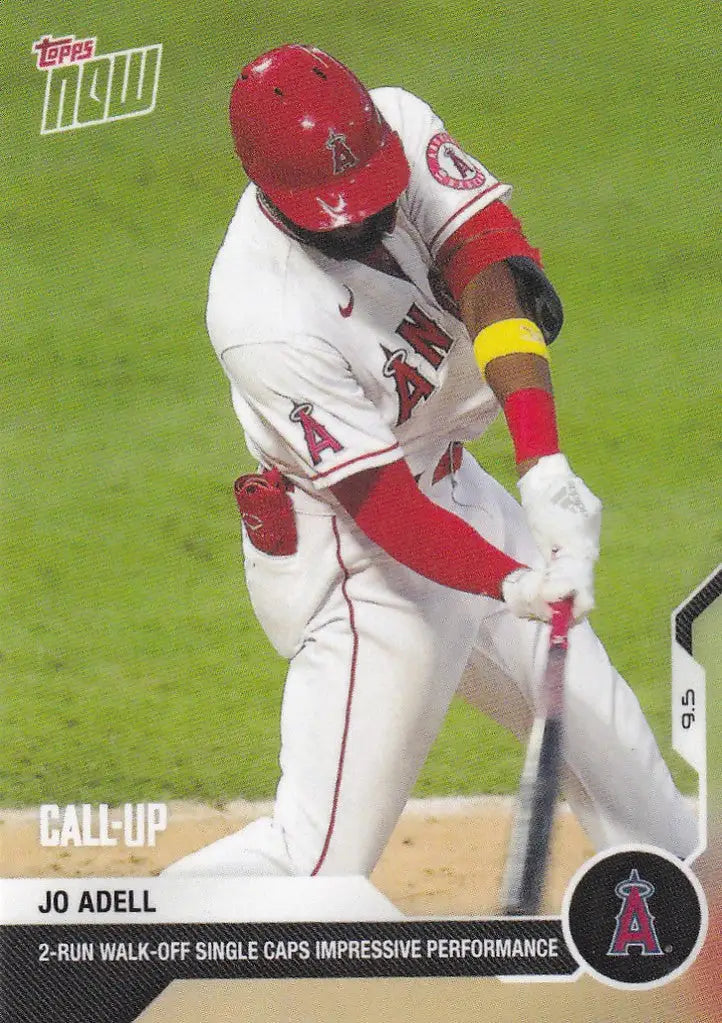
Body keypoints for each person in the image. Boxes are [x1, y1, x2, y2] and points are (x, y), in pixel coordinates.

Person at [165, 44, 696, 880]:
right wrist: (511, 582)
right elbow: (381, 504)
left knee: (624, 762)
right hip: (359, 560)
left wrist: (543, 467)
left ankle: (703, 943)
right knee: (315, 867)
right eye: (334, 211)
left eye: (371, 192)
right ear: (271, 191)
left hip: (456, 485)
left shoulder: (401, 127)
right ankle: (135, 955)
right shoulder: (258, 310)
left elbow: (487, 258)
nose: (361, 218)